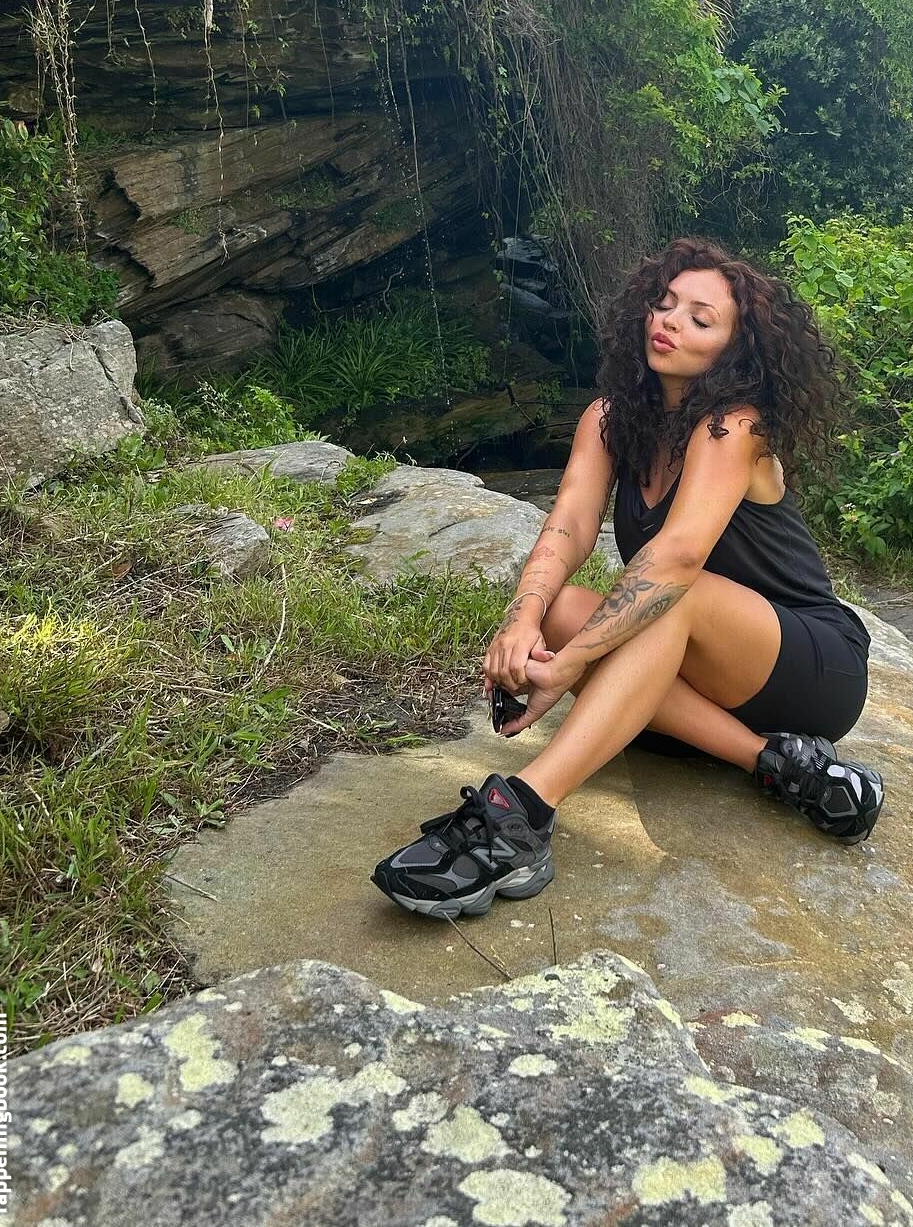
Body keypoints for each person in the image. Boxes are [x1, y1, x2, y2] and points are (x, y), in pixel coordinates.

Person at [371, 235, 884, 921]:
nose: (669, 321)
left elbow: (675, 561)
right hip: (703, 675)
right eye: (664, 304)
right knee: (562, 611)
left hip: (807, 665)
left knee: (667, 597)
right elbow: (569, 524)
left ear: (736, 350)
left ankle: (522, 813)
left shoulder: (736, 426)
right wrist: (521, 621)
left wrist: (569, 667)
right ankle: (777, 762)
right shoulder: (610, 418)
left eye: (700, 318)